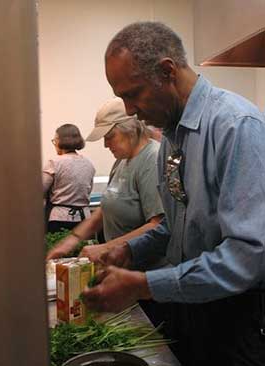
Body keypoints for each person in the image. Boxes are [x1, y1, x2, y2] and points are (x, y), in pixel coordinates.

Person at [81, 22, 265, 366]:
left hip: (235, 319)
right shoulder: (171, 138)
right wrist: (128, 252)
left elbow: (248, 256)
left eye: (133, 93)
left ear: (167, 71)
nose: (130, 110)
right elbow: (175, 226)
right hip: (189, 307)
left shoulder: (235, 127)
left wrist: (143, 285)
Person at [46, 97, 164, 262]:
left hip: (144, 270)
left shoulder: (152, 159)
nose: (105, 145)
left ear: (130, 129)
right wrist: (72, 240)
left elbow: (158, 224)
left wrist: (106, 247)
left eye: (109, 136)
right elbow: (105, 209)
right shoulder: (122, 160)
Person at [43, 123, 95, 233]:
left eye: (54, 140)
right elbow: (87, 190)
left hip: (60, 219)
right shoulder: (89, 164)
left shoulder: (54, 163)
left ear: (59, 141)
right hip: (84, 219)